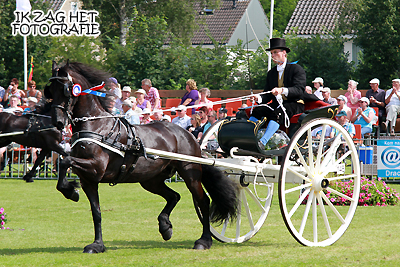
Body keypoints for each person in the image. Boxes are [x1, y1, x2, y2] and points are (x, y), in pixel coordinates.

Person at [249, 38, 306, 149]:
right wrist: (258, 98)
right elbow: (267, 94)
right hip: (277, 103)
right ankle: (249, 138)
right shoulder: (271, 73)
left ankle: (262, 142)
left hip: (294, 103)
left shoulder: (297, 69)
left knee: (277, 114)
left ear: (284, 53)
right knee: (257, 110)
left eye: (275, 52)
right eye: (271, 53)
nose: (273, 55)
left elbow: (299, 90)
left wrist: (282, 90)